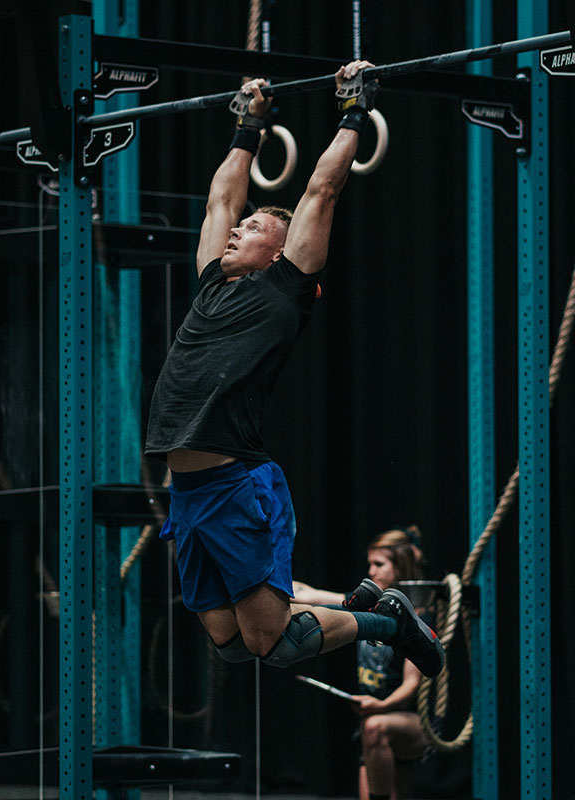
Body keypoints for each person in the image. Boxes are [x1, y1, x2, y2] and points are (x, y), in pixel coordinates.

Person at [144, 63, 444, 678]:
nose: (237, 229)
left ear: (280, 251)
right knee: (229, 643)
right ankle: (363, 607)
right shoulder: (210, 286)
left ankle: (391, 621)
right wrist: (248, 124)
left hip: (234, 483)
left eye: (253, 228)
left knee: (271, 642)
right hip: (189, 492)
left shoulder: (285, 288)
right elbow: (221, 198)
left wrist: (353, 111)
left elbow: (320, 192)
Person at [293, 526, 432, 800]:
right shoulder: (365, 607)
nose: (371, 571)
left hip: (411, 722)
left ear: (400, 567)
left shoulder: (417, 619)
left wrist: (381, 706)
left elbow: (411, 684)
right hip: (374, 725)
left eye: (379, 564)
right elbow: (307, 593)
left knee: (374, 726)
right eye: (370, 564)